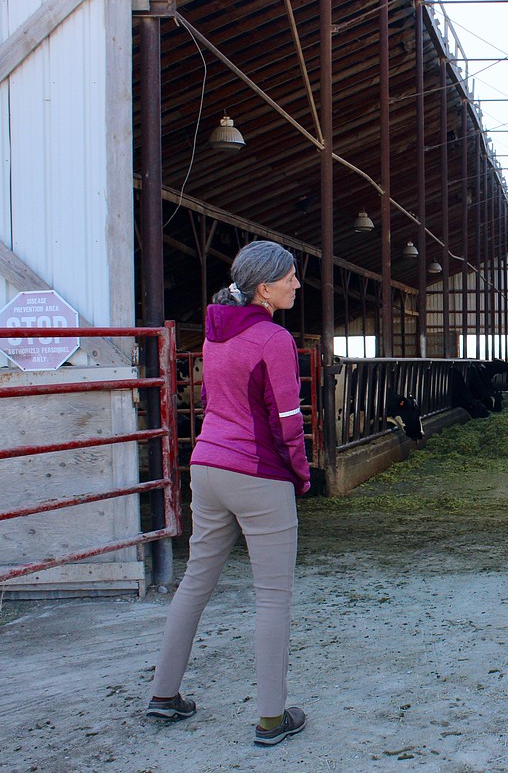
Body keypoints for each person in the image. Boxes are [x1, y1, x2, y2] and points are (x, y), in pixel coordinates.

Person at [146, 240, 311, 747]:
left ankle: (164, 695)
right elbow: (287, 419)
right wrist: (301, 475)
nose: (297, 285)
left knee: (195, 582)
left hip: (206, 467)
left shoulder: (217, 335)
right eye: (290, 278)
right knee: (273, 597)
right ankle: (269, 718)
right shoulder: (272, 339)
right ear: (265, 287)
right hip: (257, 473)